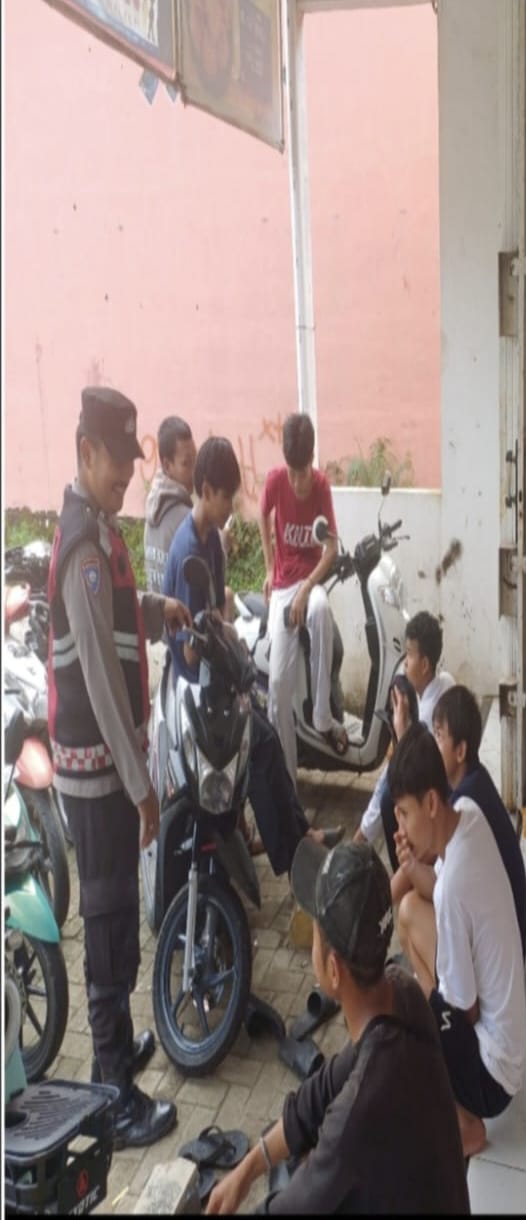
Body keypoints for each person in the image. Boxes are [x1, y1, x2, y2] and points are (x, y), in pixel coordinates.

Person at [48, 386, 191, 1147]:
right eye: (117, 462)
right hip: (97, 775)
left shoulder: (99, 534)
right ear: (85, 452)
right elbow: (102, 680)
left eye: (133, 463)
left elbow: (115, 624)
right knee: (106, 919)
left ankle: (115, 1049)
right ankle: (112, 1093)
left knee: (117, 917)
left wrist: (159, 607)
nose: (127, 477)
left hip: (107, 771)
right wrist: (142, 790)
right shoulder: (83, 548)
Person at [205, 840, 470, 1215]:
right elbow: (317, 1095)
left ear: (333, 969)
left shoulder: (359, 1110)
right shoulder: (401, 992)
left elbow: (290, 1208)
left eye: (315, 931)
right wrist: (248, 1168)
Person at [163, 437, 342, 871]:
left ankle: (300, 836)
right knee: (259, 748)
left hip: (219, 678)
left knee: (269, 741)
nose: (232, 506)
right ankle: (291, 854)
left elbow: (217, 614)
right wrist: (221, 640)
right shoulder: (188, 553)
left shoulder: (211, 541)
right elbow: (189, 653)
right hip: (198, 690)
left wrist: (228, 637)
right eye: (227, 497)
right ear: (207, 490)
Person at [389, 724, 526, 1158]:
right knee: (409, 911)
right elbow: (433, 890)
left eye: (404, 814)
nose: (401, 827)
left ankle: (466, 1124)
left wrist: (433, 1007)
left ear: (431, 803)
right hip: (508, 1040)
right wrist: (411, 864)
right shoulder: (467, 811)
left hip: (493, 1078)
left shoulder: (454, 889)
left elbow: (466, 1009)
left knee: (410, 1020)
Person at [389, 684, 526, 947]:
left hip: (502, 943)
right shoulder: (474, 781)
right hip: (507, 937)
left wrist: (375, 905)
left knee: (409, 910)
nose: (433, 744)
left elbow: (422, 872)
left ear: (460, 751)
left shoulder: (464, 802)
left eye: (439, 736)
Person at [261, 412, 343, 781]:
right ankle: (288, 781)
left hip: (310, 582)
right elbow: (262, 516)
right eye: (292, 472)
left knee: (321, 610)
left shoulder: (321, 486)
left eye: (302, 471)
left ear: (311, 459)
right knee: (278, 686)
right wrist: (269, 567)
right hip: (282, 587)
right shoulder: (275, 481)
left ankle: (322, 715)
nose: (296, 480)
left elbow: (332, 547)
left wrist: (308, 587)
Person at [353, 610, 454, 869]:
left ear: (425, 664)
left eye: (409, 655)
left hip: (440, 797)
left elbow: (403, 770)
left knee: (389, 796)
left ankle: (405, 869)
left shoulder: (429, 716)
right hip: (442, 786)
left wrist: (401, 732)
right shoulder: (445, 681)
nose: (405, 663)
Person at [143, 415, 196, 596]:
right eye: (186, 464)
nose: (194, 471)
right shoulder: (185, 518)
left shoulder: (151, 507)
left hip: (156, 612)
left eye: (195, 461)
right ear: (167, 465)